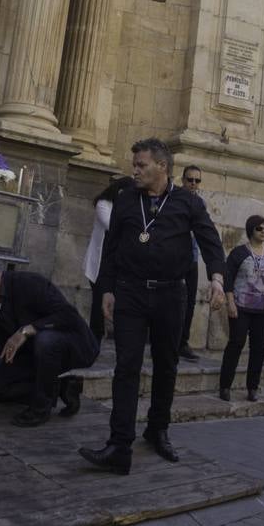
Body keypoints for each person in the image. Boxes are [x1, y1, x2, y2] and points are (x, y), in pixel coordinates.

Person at [79, 138, 226, 475]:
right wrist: (106, 290)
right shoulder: (127, 198)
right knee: (126, 367)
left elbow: (210, 243)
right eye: (135, 165)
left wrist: (217, 279)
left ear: (162, 166)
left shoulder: (188, 202)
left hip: (171, 296)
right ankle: (119, 445)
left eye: (141, 165)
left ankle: (158, 429)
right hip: (130, 294)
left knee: (166, 366)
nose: (135, 170)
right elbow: (111, 249)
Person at [0, 251, 99, 426]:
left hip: (76, 347)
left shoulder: (28, 283)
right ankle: (60, 387)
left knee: (46, 339)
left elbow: (69, 316)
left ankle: (41, 409)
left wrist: (27, 330)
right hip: (34, 357)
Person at [219, 215, 264, 402]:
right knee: (235, 344)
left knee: (258, 349)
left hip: (263, 310)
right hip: (240, 307)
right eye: (259, 228)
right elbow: (228, 278)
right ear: (251, 231)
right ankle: (225, 386)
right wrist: (230, 302)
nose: (263, 231)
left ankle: (252, 388)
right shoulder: (239, 253)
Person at [83, 176, 132, 341]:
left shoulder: (126, 208)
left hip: (116, 263)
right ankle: (94, 339)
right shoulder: (103, 204)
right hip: (100, 262)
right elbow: (114, 226)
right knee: (98, 302)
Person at [178, 164, 205, 362]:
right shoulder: (174, 199)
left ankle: (182, 342)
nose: (193, 184)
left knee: (190, 302)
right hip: (174, 258)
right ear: (183, 180)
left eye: (197, 180)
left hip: (192, 258)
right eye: (190, 180)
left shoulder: (200, 203)